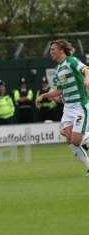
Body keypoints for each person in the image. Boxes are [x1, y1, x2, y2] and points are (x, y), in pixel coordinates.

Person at [36, 39, 89, 174]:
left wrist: (87, 78)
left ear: (61, 50)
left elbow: (86, 69)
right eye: (51, 49)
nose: (51, 52)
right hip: (68, 109)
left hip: (79, 106)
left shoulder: (72, 61)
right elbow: (60, 90)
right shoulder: (58, 68)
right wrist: (44, 96)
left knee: (76, 140)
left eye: (53, 49)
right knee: (70, 140)